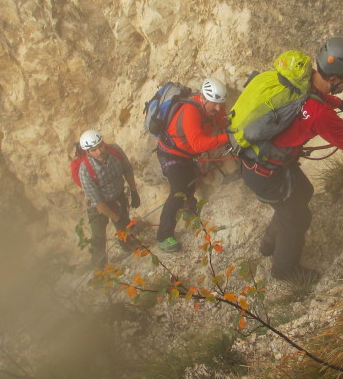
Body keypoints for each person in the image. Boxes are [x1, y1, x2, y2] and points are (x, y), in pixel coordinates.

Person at [240, 37, 343, 284]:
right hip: (267, 173)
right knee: (297, 219)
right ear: (334, 79)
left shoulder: (302, 75)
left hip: (256, 160)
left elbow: (312, 96)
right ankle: (283, 270)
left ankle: (268, 245)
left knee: (303, 191)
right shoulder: (320, 115)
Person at [155, 77, 230, 253]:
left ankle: (189, 211)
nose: (218, 108)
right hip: (170, 154)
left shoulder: (213, 107)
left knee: (190, 183)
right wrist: (227, 138)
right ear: (203, 98)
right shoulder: (190, 110)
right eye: (215, 104)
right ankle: (163, 236)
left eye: (221, 104)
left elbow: (223, 120)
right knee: (178, 191)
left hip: (187, 154)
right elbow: (198, 144)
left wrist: (232, 129)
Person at [76, 129, 140, 269]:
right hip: (98, 206)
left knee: (125, 224)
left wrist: (134, 192)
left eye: (100, 146)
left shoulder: (115, 151)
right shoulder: (85, 171)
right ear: (87, 152)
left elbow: (127, 169)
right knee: (98, 238)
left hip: (118, 195)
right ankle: (99, 269)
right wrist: (115, 217)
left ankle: (129, 245)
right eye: (93, 150)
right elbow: (98, 203)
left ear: (103, 143)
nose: (99, 152)